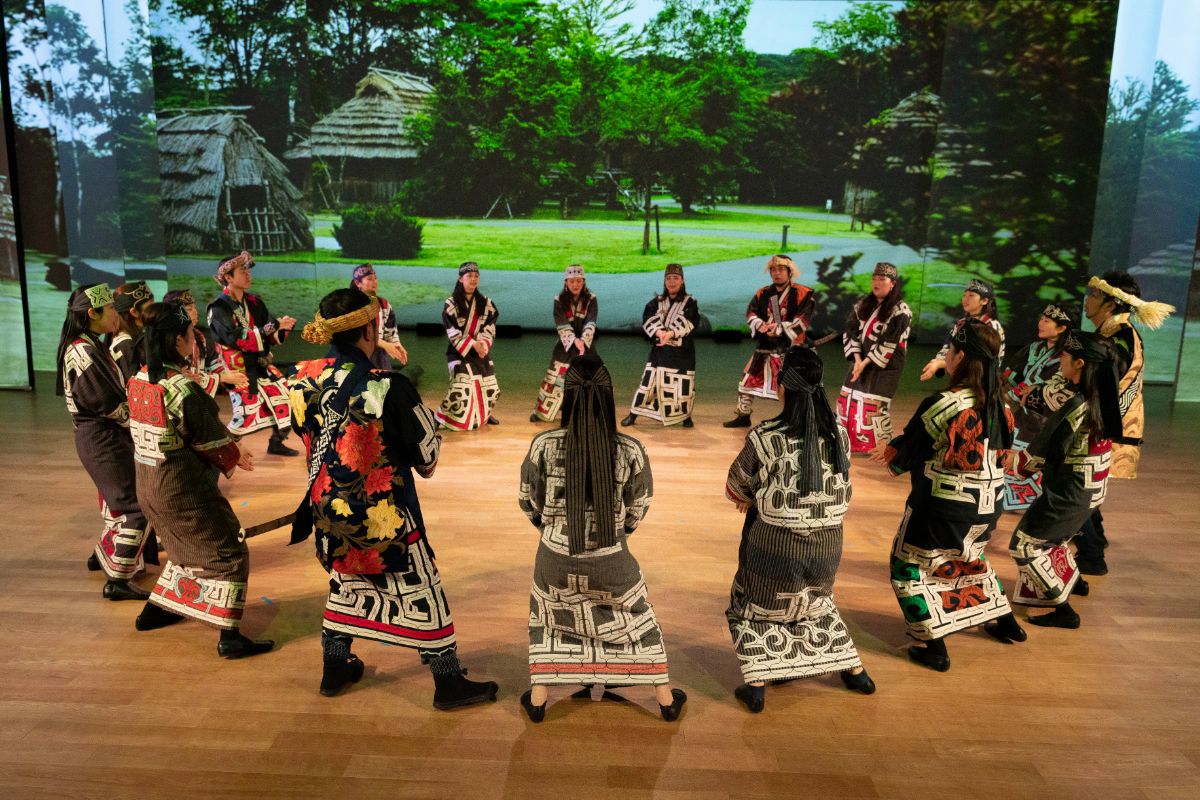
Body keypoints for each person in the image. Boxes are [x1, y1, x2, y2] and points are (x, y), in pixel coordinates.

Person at [290, 287, 499, 708]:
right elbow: (427, 457)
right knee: (426, 589)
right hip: (388, 520)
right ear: (370, 329)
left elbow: (307, 438)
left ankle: (334, 669)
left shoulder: (301, 376)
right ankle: (447, 682)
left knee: (344, 584)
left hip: (329, 513)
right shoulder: (388, 387)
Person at [518, 355, 686, 723]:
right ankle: (665, 699)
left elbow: (528, 501)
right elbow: (637, 510)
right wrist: (611, 537)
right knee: (639, 618)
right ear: (609, 397)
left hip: (553, 562)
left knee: (549, 619)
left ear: (567, 396)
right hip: (613, 562)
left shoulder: (542, 444)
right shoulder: (630, 450)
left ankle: (539, 698)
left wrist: (554, 531)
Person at [724, 346, 875, 713]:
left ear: (782, 387)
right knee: (816, 601)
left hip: (775, 542)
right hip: (829, 541)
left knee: (752, 604)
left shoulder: (766, 435)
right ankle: (854, 671)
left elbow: (735, 485)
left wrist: (754, 497)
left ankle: (757, 684)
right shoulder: (839, 432)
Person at [873, 319, 1025, 671]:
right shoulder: (1002, 405)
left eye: (951, 351)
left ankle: (932, 644)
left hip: (945, 506)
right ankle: (1004, 621)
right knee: (970, 557)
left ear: (959, 357)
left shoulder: (945, 403)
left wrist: (893, 453)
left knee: (907, 565)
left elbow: (912, 446)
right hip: (989, 506)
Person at [125, 302, 273, 658]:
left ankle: (156, 610)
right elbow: (209, 438)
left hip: (147, 484)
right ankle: (229, 636)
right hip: (180, 489)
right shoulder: (181, 389)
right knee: (229, 551)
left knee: (181, 550)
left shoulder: (139, 380)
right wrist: (235, 452)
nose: (195, 339)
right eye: (191, 334)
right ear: (178, 340)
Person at [1008, 330, 1121, 629]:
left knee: (1025, 545)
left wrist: (1017, 462)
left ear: (1081, 363)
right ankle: (1073, 582)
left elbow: (1045, 448)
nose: (1060, 360)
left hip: (1072, 489)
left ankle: (1063, 610)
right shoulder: (1103, 394)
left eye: (1066, 357)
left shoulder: (1076, 403)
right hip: (1092, 487)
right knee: (1055, 538)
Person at [1073, 272, 1174, 575]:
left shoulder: (1119, 337)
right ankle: (1097, 539)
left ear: (1111, 302)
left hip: (1106, 426)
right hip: (1107, 423)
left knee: (1078, 487)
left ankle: (1091, 556)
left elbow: (1102, 383)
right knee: (1086, 484)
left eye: (1093, 295)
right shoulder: (1112, 332)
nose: (1087, 300)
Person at [56, 284, 150, 601]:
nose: (115, 314)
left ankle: (104, 556)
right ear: (92, 314)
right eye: (109, 309)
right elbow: (107, 404)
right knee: (136, 508)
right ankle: (118, 580)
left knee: (126, 503)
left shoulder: (88, 344)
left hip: (105, 435)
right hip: (101, 438)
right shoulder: (82, 350)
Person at [207, 251, 299, 455]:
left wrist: (281, 328)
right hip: (238, 368)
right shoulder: (218, 307)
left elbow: (268, 329)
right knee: (245, 413)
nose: (248, 274)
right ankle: (222, 450)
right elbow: (235, 338)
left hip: (261, 364)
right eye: (242, 271)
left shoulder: (254, 301)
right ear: (228, 277)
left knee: (286, 398)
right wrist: (273, 326)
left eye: (247, 270)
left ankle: (277, 441)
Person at [999, 301, 1078, 511]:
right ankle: (1011, 499)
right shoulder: (1033, 348)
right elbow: (1012, 375)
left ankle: (1031, 501)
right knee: (1012, 454)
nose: (1040, 323)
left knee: (1034, 457)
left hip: (1044, 418)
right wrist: (1006, 392)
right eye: (1041, 318)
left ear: (1062, 328)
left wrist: (1027, 392)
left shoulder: (1068, 356)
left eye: (1047, 321)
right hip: (1019, 414)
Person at [723, 254, 815, 428]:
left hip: (791, 349)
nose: (776, 273)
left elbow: (802, 321)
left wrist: (779, 328)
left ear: (790, 272)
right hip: (766, 346)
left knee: (790, 387)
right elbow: (751, 313)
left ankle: (793, 419)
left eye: (781, 269)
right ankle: (743, 415)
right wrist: (760, 325)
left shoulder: (803, 293)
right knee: (746, 381)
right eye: (773, 269)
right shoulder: (763, 293)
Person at [837, 262, 912, 453]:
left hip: (887, 363)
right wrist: (857, 359)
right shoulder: (863, 304)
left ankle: (883, 446)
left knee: (875, 404)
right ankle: (850, 442)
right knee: (849, 399)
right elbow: (851, 330)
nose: (876, 283)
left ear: (892, 283)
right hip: (860, 359)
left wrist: (865, 362)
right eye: (874, 279)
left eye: (882, 279)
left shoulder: (901, 310)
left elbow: (889, 341)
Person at [621, 263, 699, 428]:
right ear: (664, 282)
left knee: (683, 386)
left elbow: (691, 321)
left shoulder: (690, 302)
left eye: (676, 278)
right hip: (660, 351)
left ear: (682, 281)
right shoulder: (656, 302)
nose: (672, 282)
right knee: (648, 384)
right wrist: (659, 333)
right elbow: (648, 319)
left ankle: (685, 416)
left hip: (682, 353)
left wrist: (669, 334)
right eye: (669, 278)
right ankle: (634, 414)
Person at [434, 261, 500, 430]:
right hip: (458, 352)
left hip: (479, 351)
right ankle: (443, 417)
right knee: (461, 387)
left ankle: (485, 414)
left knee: (491, 386)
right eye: (469, 276)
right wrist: (472, 344)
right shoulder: (451, 304)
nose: (473, 279)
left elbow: (490, 327)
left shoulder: (486, 303)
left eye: (476, 276)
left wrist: (483, 344)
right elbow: (453, 332)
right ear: (460, 279)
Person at [532, 264, 597, 422]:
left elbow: (591, 322)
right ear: (566, 282)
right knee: (554, 378)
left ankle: (588, 414)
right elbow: (561, 323)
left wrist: (583, 341)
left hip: (585, 345)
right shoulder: (559, 299)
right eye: (572, 281)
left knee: (590, 379)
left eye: (579, 281)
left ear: (584, 282)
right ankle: (542, 411)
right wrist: (574, 340)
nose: (575, 284)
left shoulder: (591, 299)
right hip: (565, 344)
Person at [163, 288, 248, 398]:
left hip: (196, 395)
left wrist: (228, 375)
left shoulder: (199, 336)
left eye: (194, 307)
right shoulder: (170, 340)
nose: (195, 312)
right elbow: (186, 376)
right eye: (189, 309)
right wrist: (222, 378)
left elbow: (213, 361)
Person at [919, 278, 1005, 381]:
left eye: (971, 295)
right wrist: (938, 361)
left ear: (984, 301)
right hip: (961, 377)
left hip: (982, 380)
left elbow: (982, 360)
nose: (965, 299)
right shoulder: (962, 323)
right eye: (964, 295)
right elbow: (948, 346)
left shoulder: (992, 327)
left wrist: (941, 364)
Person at [349, 263, 408, 370]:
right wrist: (384, 344)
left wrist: (396, 344)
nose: (374, 282)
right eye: (370, 279)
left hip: (379, 358)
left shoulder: (383, 304)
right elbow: (357, 335)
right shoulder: (352, 304)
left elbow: (390, 329)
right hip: (357, 356)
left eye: (375, 278)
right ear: (358, 283)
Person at [110, 281, 153, 384]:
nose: (154, 310)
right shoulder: (125, 344)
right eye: (150, 307)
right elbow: (134, 386)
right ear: (134, 312)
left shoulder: (134, 338)